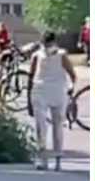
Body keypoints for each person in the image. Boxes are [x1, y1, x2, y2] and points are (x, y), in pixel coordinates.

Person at [29, 31, 77, 172]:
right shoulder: (37, 56)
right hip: (41, 91)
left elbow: (72, 74)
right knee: (41, 126)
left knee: (57, 126)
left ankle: (57, 161)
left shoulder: (61, 55)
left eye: (49, 44)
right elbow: (31, 76)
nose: (47, 47)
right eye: (46, 44)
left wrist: (71, 88)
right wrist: (28, 100)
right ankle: (44, 159)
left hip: (57, 92)